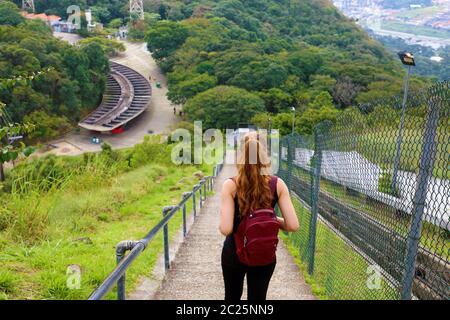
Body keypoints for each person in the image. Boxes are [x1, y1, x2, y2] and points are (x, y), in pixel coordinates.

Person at [219, 132, 299, 301]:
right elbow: (292, 225)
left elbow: (226, 229)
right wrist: (268, 219)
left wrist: (245, 219)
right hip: (264, 254)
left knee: (231, 298)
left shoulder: (231, 185)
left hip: (235, 253)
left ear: (240, 155)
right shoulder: (278, 184)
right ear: (265, 155)